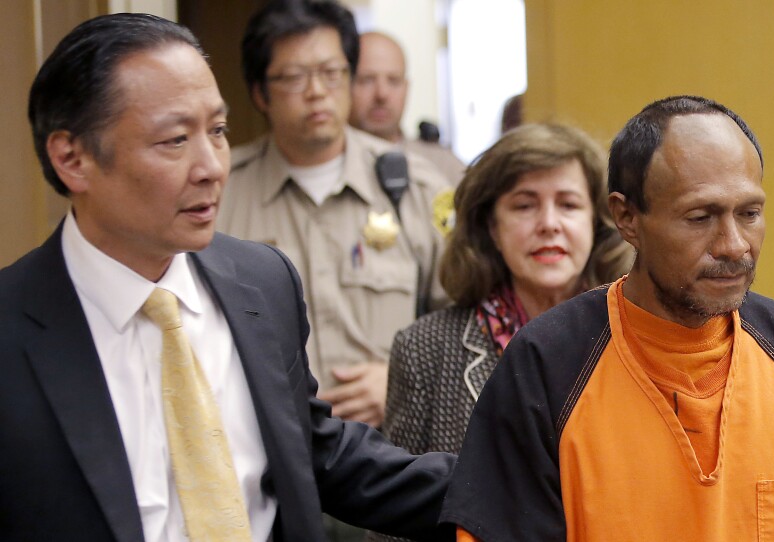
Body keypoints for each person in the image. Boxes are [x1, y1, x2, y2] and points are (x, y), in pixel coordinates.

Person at [0, 13, 456, 542]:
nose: (212, 166)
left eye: (216, 130)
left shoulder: (261, 281)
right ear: (72, 159)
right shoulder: (14, 331)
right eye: (174, 140)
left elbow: (315, 452)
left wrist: (506, 484)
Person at [440, 96, 774, 541]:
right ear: (627, 217)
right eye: (700, 216)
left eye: (749, 214)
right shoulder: (548, 365)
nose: (733, 245)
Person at [367, 123, 632, 542]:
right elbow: (396, 523)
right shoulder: (424, 350)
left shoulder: (636, 339)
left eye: (568, 205)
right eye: (524, 206)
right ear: (492, 226)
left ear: (598, 223)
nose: (549, 224)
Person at [218, 0, 451, 430]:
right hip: (267, 452)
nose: (317, 91)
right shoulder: (219, 193)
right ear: (259, 93)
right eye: (293, 77)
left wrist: (405, 379)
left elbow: (470, 316)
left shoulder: (417, 187)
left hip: (393, 454)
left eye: (332, 73)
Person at [349, 31, 464, 185]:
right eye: (366, 80)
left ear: (406, 88)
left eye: (394, 81)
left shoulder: (444, 167)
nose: (382, 94)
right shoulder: (324, 165)